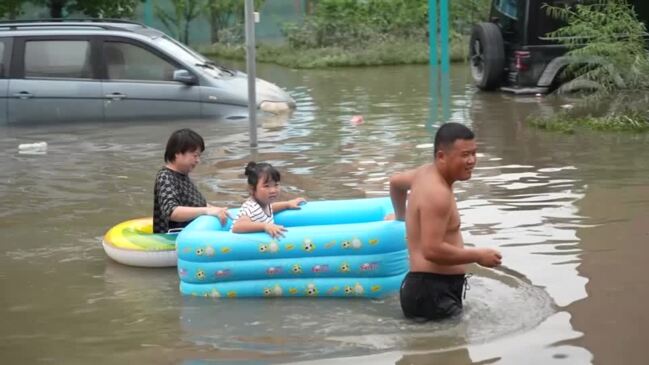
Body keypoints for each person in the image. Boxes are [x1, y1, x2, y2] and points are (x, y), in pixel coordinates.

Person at [388, 122, 502, 321]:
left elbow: (395, 183)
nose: (472, 161)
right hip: (432, 292)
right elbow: (431, 250)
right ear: (441, 156)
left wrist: (401, 218)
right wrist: (477, 255)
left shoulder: (423, 173)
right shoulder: (437, 194)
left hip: (426, 290)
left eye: (474, 153)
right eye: (465, 155)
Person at [153, 129, 229, 234]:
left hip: (192, 234)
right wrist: (206, 211)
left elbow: (196, 203)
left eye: (199, 156)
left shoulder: (183, 176)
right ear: (178, 153)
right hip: (174, 239)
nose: (198, 160)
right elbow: (172, 211)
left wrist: (216, 209)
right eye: (195, 155)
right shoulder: (165, 177)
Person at [231, 161, 305, 238]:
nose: (273, 190)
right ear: (252, 189)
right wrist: (265, 226)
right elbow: (237, 227)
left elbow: (270, 208)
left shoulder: (263, 203)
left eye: (276, 185)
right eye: (266, 186)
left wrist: (287, 204)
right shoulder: (251, 208)